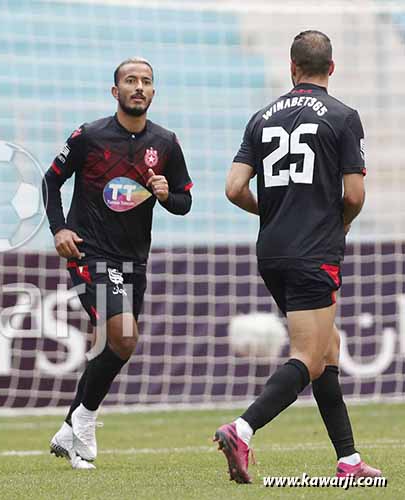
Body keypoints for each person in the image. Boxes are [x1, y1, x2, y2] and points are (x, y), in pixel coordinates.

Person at [217, 30, 382, 483]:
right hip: (314, 249)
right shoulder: (343, 116)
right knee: (309, 355)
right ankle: (242, 430)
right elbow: (354, 194)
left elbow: (233, 188)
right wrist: (340, 222)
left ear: (292, 68)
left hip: (271, 250)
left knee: (329, 348)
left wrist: (271, 209)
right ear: (331, 68)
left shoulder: (261, 117)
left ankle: (348, 460)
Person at [43, 57, 193, 469]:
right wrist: (59, 229)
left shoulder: (165, 143)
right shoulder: (89, 136)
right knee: (124, 337)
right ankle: (85, 423)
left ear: (153, 92)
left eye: (146, 81)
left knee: (113, 344)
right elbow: (51, 179)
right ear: (116, 91)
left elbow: (184, 202)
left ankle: (70, 428)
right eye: (130, 81)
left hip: (134, 260)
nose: (138, 87)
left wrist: (166, 194)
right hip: (89, 252)